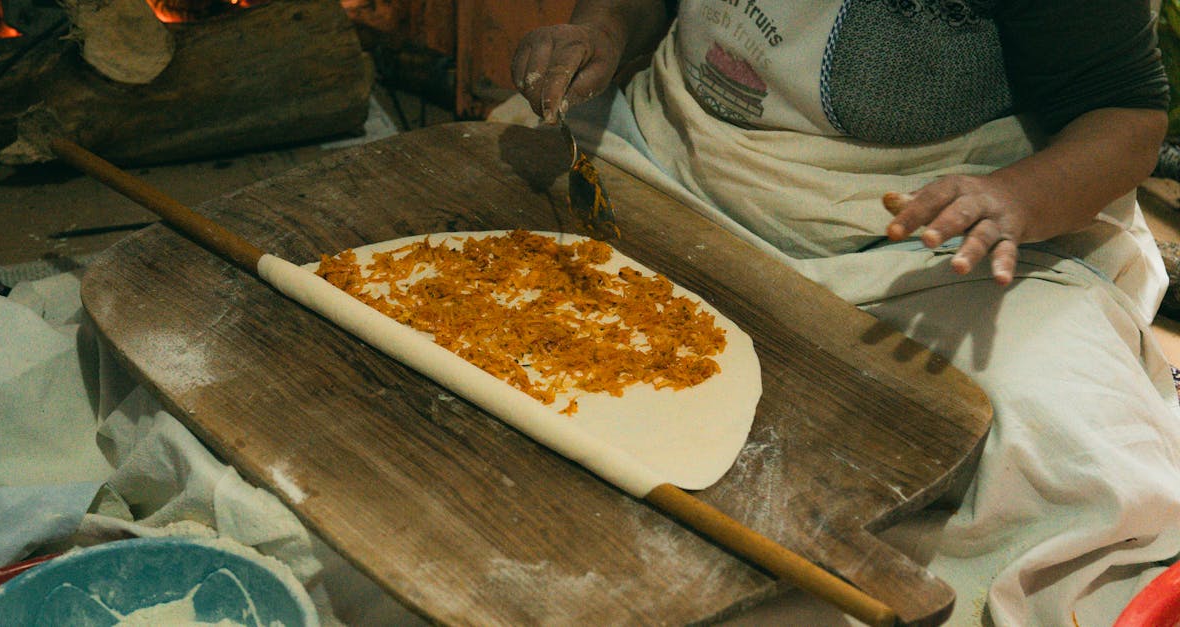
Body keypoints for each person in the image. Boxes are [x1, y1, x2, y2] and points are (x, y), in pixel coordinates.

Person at [499, 1, 1180, 625]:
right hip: (672, 159)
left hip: (922, 235)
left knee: (1073, 460)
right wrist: (600, 33)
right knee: (483, 261)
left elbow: (1124, 116)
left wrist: (1015, 199)